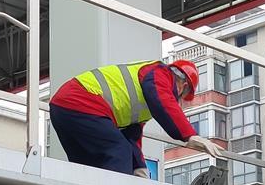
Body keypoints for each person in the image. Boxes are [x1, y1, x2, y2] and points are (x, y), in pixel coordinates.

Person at [49, 59, 220, 177]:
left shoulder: (145, 102)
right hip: (81, 101)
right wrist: (189, 135)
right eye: (183, 98)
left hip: (64, 108)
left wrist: (139, 169)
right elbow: (163, 100)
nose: (180, 102)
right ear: (183, 86)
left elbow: (131, 137)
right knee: (117, 150)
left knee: (90, 164)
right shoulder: (161, 72)